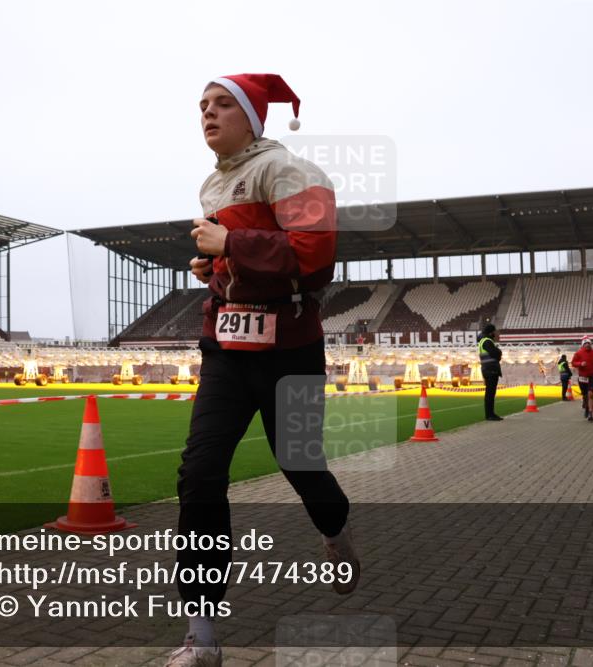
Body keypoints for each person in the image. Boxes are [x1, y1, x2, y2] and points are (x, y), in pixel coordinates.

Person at [170, 73, 357, 667]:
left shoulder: (292, 171)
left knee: (300, 464)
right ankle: (202, 637)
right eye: (202, 105)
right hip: (225, 349)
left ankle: (336, 533)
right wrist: (217, 272)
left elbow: (314, 253)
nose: (208, 112)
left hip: (291, 351)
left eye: (223, 103)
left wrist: (230, 244)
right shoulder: (211, 184)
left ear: (254, 117)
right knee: (200, 476)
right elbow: (245, 261)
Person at [571, 336, 593, 422]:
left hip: (592, 376)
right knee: (585, 395)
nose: (587, 345)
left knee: (590, 394)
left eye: (589, 343)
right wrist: (580, 363)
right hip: (582, 377)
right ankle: (586, 407)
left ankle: (591, 413)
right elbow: (573, 363)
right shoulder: (578, 353)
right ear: (583, 345)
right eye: (586, 344)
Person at [478, 323, 503, 421]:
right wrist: (499, 352)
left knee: (490, 393)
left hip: (487, 369)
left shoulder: (483, 341)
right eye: (494, 332)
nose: (496, 334)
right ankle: (490, 415)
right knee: (490, 393)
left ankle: (490, 414)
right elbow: (496, 354)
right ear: (491, 332)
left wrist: (498, 352)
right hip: (490, 369)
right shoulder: (487, 341)